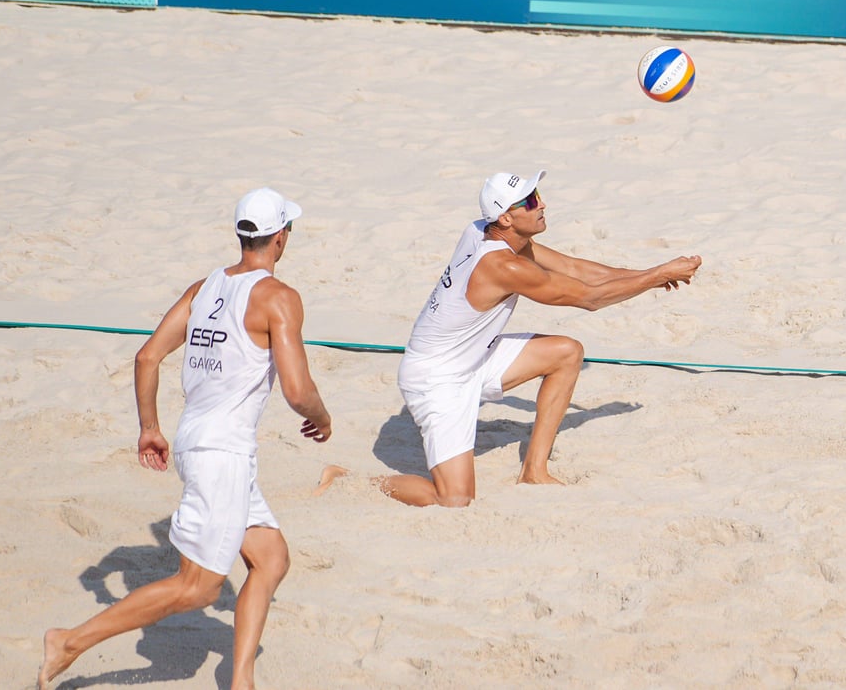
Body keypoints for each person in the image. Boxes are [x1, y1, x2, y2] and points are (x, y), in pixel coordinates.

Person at [39, 187, 333, 690]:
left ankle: (241, 681)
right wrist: (322, 418)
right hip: (222, 452)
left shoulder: (205, 288)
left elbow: (147, 357)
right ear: (281, 238)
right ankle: (70, 641)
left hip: (200, 438)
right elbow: (298, 389)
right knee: (197, 589)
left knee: (271, 559)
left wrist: (149, 428)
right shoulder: (279, 297)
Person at [376, 170, 701, 508]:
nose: (541, 204)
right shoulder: (503, 266)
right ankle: (350, 479)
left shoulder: (483, 230)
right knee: (455, 498)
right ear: (505, 216)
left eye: (538, 195)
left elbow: (574, 270)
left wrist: (652, 273)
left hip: (473, 359)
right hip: (435, 379)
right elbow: (589, 298)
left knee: (565, 352)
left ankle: (534, 471)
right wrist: (658, 276)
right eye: (530, 201)